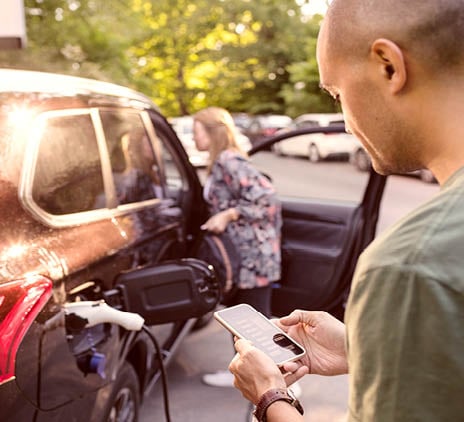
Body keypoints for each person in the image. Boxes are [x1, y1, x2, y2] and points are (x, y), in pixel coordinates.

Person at [228, 0, 464, 420]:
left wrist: (269, 397)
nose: (347, 122)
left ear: (388, 65)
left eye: (336, 92)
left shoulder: (411, 265)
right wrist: (363, 347)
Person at [192, 107, 283, 387]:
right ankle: (248, 373)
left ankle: (277, 379)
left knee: (254, 318)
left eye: (196, 131)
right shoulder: (222, 160)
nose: (193, 137)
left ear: (212, 132)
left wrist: (228, 214)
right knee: (246, 318)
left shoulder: (228, 160)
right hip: (244, 255)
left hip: (253, 256)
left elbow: (267, 199)